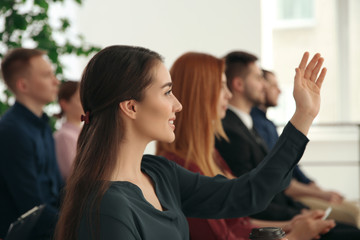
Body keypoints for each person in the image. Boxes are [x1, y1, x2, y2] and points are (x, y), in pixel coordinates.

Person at [55, 45, 325, 240]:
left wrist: (303, 116)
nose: (178, 105)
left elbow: (248, 193)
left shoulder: (159, 173)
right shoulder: (107, 207)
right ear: (131, 107)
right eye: (167, 92)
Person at [156, 52, 335, 240]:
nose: (229, 95)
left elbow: (239, 221)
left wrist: (289, 226)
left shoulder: (211, 155)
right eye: (222, 86)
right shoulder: (179, 167)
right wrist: (293, 236)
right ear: (200, 94)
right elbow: (231, 227)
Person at [216, 50, 360, 239]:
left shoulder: (247, 125)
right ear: (239, 84)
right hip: (277, 217)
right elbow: (254, 193)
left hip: (284, 212)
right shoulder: (232, 131)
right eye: (259, 78)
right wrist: (295, 219)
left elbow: (273, 178)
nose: (264, 85)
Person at [251, 69, 360, 227]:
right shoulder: (257, 125)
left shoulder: (267, 124)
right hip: (288, 197)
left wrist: (311, 184)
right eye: (272, 85)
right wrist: (320, 193)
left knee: (354, 208)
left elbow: (291, 165)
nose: (279, 90)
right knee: (352, 214)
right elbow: (279, 175)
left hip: (293, 191)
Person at [0, 48, 63, 240]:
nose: (56, 81)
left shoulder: (43, 125)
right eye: (46, 75)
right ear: (23, 85)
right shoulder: (11, 131)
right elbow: (32, 208)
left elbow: (58, 188)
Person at [54, 80, 82, 180]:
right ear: (64, 104)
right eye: (80, 99)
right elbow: (74, 175)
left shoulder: (85, 133)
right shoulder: (63, 136)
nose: (86, 104)